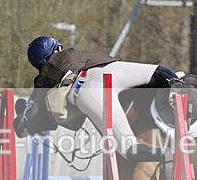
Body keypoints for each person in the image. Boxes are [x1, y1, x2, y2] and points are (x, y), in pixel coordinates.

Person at [14, 36, 186, 161]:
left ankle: (166, 155)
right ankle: (175, 83)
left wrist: (22, 121)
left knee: (128, 149)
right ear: (56, 48)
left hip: (87, 90)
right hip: (109, 68)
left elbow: (33, 117)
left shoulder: (43, 79)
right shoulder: (74, 53)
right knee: (158, 71)